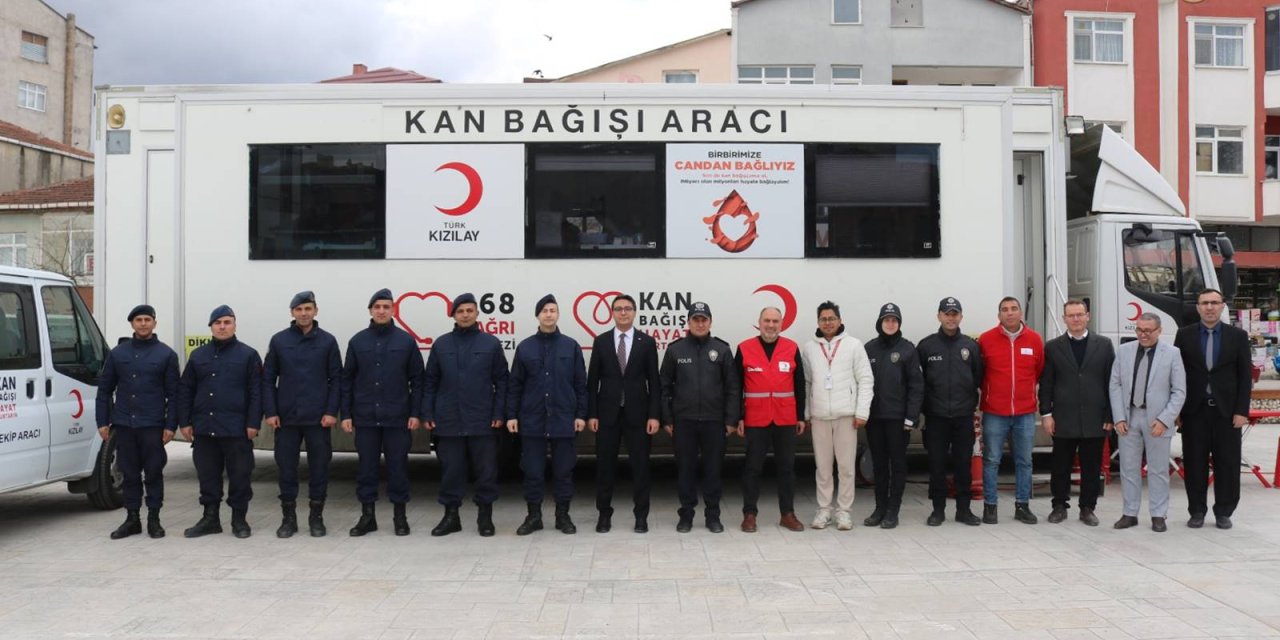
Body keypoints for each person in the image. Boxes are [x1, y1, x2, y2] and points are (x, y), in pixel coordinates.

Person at [422, 293, 509, 538]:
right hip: (448, 419)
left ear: (477, 313)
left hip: (482, 419)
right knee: (452, 470)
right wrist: (427, 411)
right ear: (453, 315)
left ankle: (485, 517)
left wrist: (499, 412)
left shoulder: (490, 343)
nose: (465, 315)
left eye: (470, 310)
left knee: (486, 471)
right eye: (460, 311)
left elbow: (502, 381)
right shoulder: (441, 344)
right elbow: (430, 381)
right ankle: (451, 517)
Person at [341, 288, 423, 537]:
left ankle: (400, 517)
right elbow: (347, 380)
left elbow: (417, 379)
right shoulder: (358, 341)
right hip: (365, 418)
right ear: (370, 310)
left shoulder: (406, 341)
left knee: (398, 468)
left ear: (393, 310)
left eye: (386, 307)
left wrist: (415, 412)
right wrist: (346, 414)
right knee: (366, 469)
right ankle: (368, 517)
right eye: (377, 307)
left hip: (397, 417)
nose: (381, 311)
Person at [96, 304, 180, 539]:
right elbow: (104, 390)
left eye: (147, 320)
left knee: (153, 473)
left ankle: (154, 518)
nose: (143, 324)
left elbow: (174, 395)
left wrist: (170, 425)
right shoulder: (118, 354)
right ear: (132, 324)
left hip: (152, 426)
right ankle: (132, 519)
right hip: (124, 425)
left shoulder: (166, 354)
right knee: (129, 474)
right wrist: (102, 421)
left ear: (154, 323)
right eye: (138, 320)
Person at [178, 305, 263, 539]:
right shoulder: (198, 356)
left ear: (234, 325)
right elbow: (186, 390)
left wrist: (253, 422)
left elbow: (256, 392)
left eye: (227, 322)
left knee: (240, 476)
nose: (222, 326)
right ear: (211, 327)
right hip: (205, 428)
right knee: (208, 476)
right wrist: (184, 421)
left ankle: (239, 520)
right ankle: (210, 519)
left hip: (236, 429)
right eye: (218, 323)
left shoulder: (248, 355)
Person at [507, 294, 587, 536]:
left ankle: (563, 516)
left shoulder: (570, 346)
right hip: (532, 419)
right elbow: (515, 385)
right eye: (544, 311)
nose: (549, 314)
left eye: (553, 310)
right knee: (532, 471)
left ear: (558, 314)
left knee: (563, 471)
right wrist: (511, 415)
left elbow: (580, 384)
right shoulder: (525, 347)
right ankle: (534, 516)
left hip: (563, 419)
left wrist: (581, 414)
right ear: (538, 315)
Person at [262, 290, 341, 538]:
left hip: (318, 419)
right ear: (292, 312)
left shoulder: (327, 341)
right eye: (299, 309)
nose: (304, 313)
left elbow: (336, 379)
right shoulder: (279, 341)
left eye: (308, 309)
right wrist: (271, 411)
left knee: (319, 468)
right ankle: (289, 519)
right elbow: (267, 379)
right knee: (286, 468)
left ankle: (316, 518)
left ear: (315, 311)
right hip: (286, 419)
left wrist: (331, 411)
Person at [1174, 288, 1252, 529]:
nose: (1209, 307)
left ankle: (1224, 512)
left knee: (1227, 463)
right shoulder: (1184, 335)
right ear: (1197, 307)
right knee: (1195, 463)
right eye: (1204, 303)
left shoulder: (1237, 336)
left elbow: (1244, 376)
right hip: (1194, 411)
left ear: (1222, 306)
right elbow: (1176, 374)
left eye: (1214, 303)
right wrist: (1175, 410)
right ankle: (1196, 511)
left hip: (1227, 412)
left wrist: (1242, 411)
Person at [660, 302, 740, 533]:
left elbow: (733, 388)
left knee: (713, 470)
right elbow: (664, 386)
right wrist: (667, 419)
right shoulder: (675, 350)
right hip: (683, 422)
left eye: (704, 319)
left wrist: (731, 420)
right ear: (689, 322)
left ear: (710, 322)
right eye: (695, 319)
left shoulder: (722, 350)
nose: (700, 323)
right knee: (686, 470)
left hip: (715, 422)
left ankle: (713, 516)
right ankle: (686, 515)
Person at [585, 294, 661, 534]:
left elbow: (655, 384)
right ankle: (604, 515)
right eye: (618, 309)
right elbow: (592, 381)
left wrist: (654, 415)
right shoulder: (601, 341)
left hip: (638, 416)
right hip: (607, 415)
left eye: (628, 308)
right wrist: (592, 414)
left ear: (635, 312)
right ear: (612, 312)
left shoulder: (646, 343)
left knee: (640, 468)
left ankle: (641, 517)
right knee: (605, 468)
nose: (623, 312)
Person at [1038, 300, 1115, 527]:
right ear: (1064, 319)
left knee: (1092, 467)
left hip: (1095, 418)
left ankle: (1087, 507)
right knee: (1060, 466)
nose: (1076, 319)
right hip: (1063, 418)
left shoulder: (1104, 345)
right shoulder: (1053, 347)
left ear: (1088, 316)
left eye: (1080, 314)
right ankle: (1059, 506)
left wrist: (1110, 415)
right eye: (1071, 315)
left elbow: (1112, 382)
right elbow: (1047, 384)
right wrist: (1046, 414)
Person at [1109, 313, 1186, 532]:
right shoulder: (1124, 351)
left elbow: (1179, 391)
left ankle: (1158, 515)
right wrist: (1119, 418)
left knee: (1158, 469)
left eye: (1147, 331)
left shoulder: (1172, 354)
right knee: (1128, 467)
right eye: (1139, 330)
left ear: (1159, 331)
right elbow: (1115, 385)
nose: (1142, 334)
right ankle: (1129, 513)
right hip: (1129, 416)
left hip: (1158, 419)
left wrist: (1165, 419)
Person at [800, 301, 873, 531]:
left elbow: (866, 380)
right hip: (820, 416)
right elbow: (806, 383)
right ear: (818, 322)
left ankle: (844, 512)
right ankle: (823, 511)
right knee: (822, 468)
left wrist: (861, 412)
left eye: (832, 318)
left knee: (846, 467)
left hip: (846, 416)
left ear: (840, 320)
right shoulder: (810, 348)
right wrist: (807, 414)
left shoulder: (853, 345)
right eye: (823, 319)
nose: (828, 323)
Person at [735, 307, 807, 533]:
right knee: (752, 468)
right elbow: (736, 387)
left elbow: (800, 384)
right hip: (756, 418)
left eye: (775, 321)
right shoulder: (744, 348)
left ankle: (787, 514)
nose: (771, 325)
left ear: (781, 323)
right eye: (766, 320)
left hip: (785, 418)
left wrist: (800, 416)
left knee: (786, 468)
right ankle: (749, 514)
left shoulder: (791, 348)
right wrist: (738, 416)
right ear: (759, 322)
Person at [916, 297, 984, 526]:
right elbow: (919, 382)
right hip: (936, 418)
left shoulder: (971, 346)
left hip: (963, 416)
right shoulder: (926, 346)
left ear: (961, 316)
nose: (951, 317)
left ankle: (963, 510)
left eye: (955, 313)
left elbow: (977, 377)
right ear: (939, 316)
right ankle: (937, 510)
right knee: (936, 465)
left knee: (963, 465)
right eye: (947, 313)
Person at [977, 296, 1045, 525]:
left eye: (1014, 309)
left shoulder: (1035, 340)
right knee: (992, 460)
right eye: (1005, 310)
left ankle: (1022, 506)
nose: (1010, 313)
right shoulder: (986, 340)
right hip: (995, 411)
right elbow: (980, 373)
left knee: (1024, 461)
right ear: (999, 316)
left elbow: (1038, 370)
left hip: (1024, 412)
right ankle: (990, 506)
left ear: (1020, 313)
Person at [862, 303, 923, 529]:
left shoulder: (908, 349)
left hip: (899, 420)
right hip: (875, 418)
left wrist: (911, 417)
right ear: (880, 322)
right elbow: (860, 383)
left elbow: (917, 386)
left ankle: (893, 511)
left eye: (894, 320)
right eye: (886, 320)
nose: (890, 324)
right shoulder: (869, 349)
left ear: (899, 324)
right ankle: (879, 508)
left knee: (897, 464)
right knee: (878, 465)